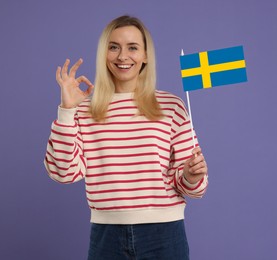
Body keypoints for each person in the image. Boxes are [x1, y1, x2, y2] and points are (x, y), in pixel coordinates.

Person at [44, 15, 208, 260]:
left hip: (164, 234)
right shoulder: (83, 110)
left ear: (145, 56)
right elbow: (63, 173)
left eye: (132, 47)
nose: (122, 56)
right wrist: (67, 110)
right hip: (106, 236)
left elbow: (194, 188)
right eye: (114, 47)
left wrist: (191, 175)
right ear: (104, 53)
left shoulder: (171, 106)